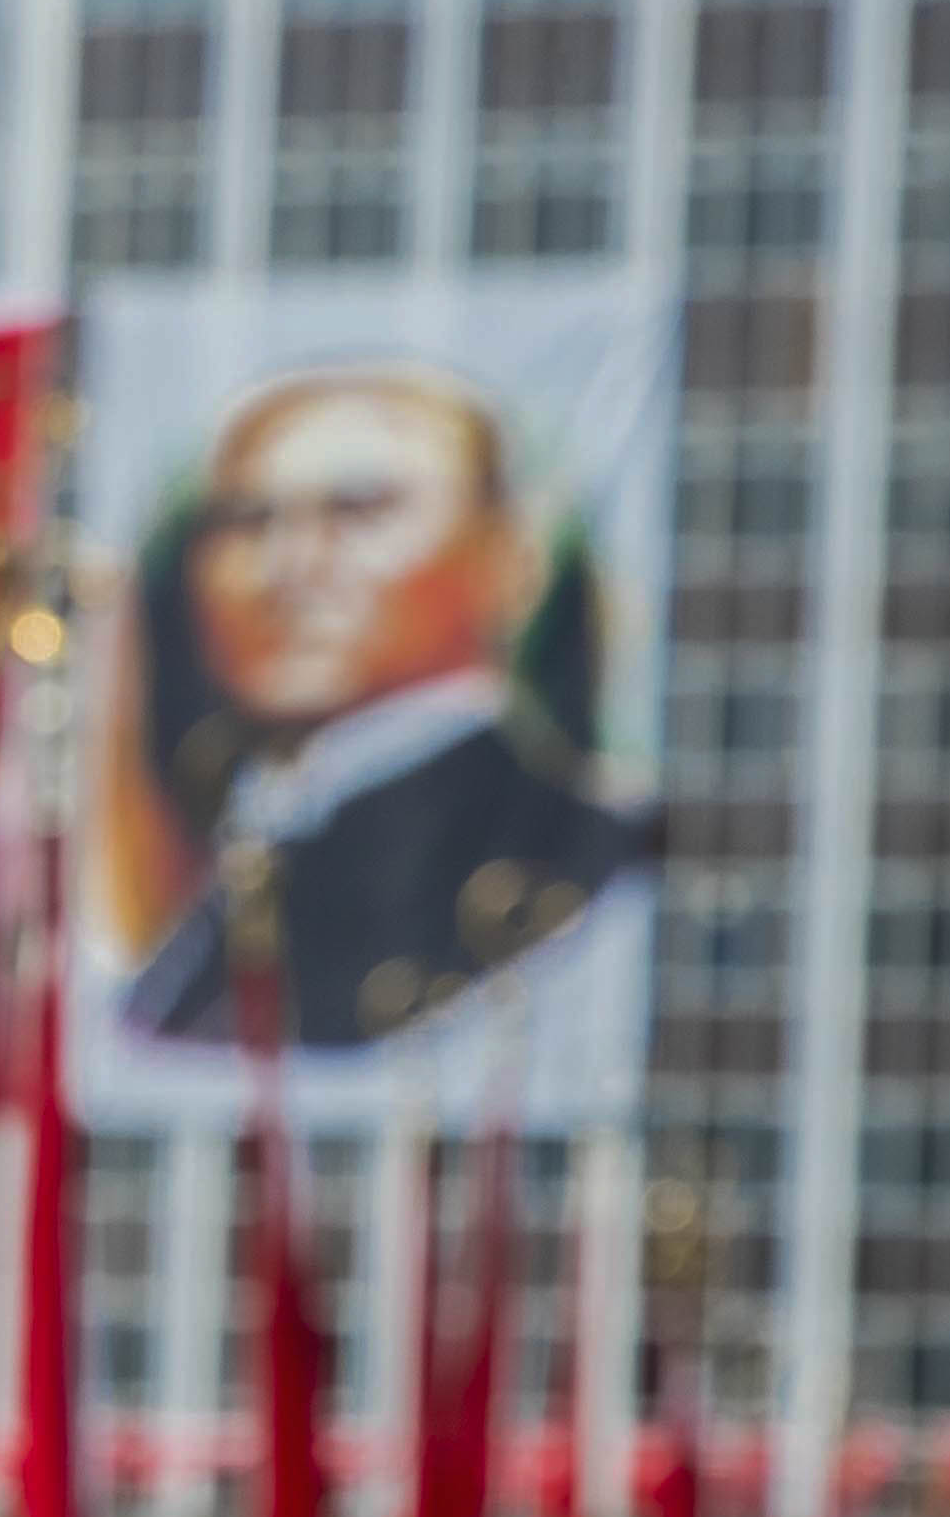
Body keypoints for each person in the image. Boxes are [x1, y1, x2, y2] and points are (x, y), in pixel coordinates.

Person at [109, 364, 647, 1055]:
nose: (290, 565)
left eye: (360, 511)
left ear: (510, 560)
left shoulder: (577, 841)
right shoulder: (256, 825)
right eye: (247, 520)